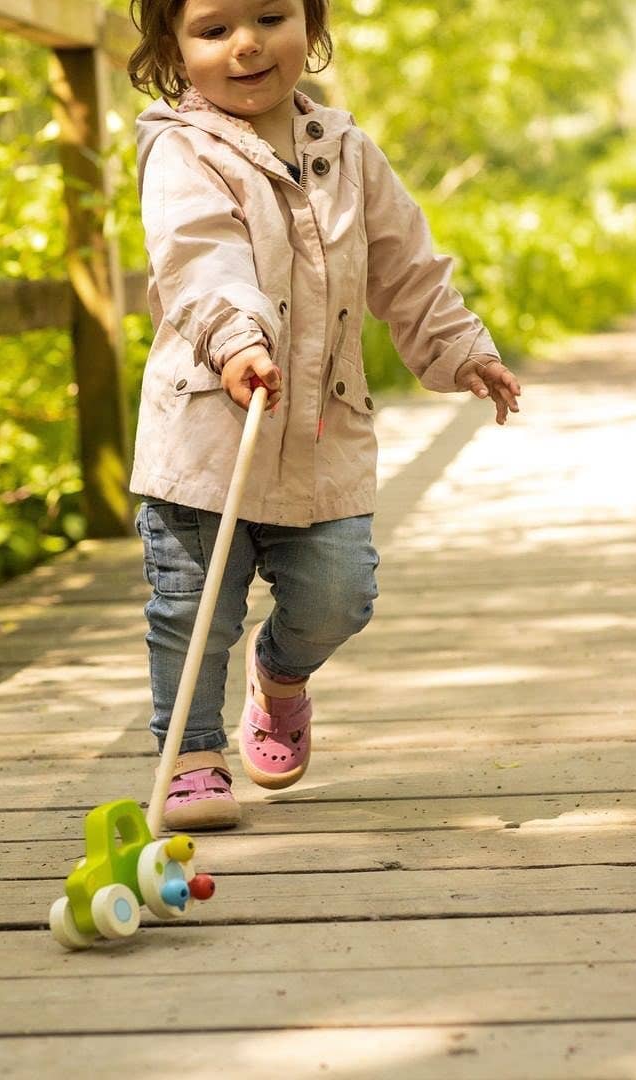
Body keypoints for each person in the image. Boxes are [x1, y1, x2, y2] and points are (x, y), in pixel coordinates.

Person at [126, 0, 522, 830]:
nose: (247, 44)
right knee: (193, 605)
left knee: (342, 591)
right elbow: (201, 255)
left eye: (271, 15)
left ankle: (280, 674)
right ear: (173, 46)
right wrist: (235, 338)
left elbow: (407, 265)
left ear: (312, 22)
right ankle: (194, 755)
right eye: (213, 29)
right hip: (209, 433)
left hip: (321, 434)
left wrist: (461, 347)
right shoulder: (180, 148)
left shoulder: (346, 152)